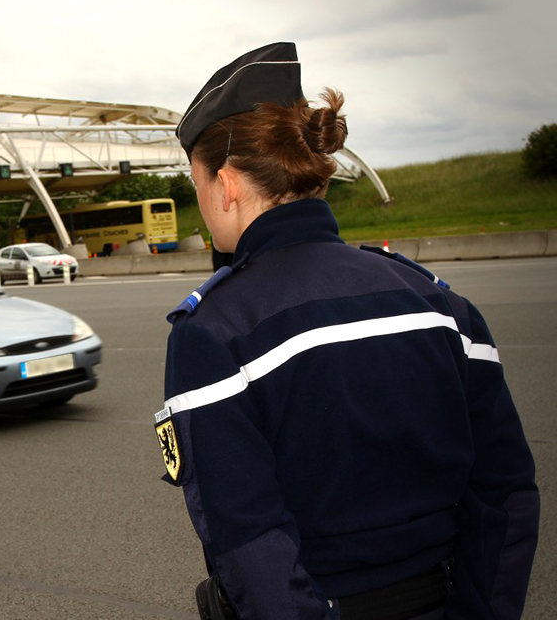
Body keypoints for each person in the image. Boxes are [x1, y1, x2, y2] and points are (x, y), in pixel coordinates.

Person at [155, 42, 539, 620]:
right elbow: (505, 493)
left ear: (227, 183)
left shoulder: (215, 332)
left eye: (198, 184)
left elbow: (249, 545)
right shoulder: (436, 301)